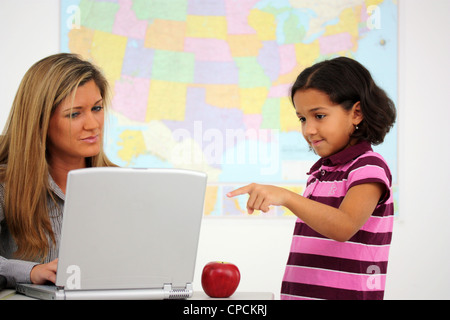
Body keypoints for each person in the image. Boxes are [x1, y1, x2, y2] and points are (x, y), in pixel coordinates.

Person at [228, 57, 396, 300]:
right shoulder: (320, 172)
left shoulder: (369, 167)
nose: (308, 130)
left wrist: (286, 197)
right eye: (303, 118)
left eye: (319, 116)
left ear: (356, 113)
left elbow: (343, 226)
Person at [0, 53, 116, 289]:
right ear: (39, 120)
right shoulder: (7, 184)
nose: (93, 124)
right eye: (75, 114)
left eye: (97, 108)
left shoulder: (121, 185)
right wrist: (30, 271)